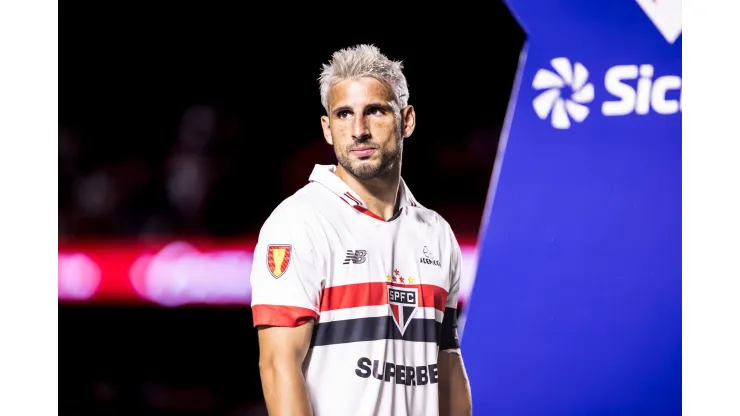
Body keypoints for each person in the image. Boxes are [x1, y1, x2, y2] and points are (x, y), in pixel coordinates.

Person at [250, 44, 472, 416]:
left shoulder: (437, 233)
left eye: (375, 111)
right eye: (344, 114)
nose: (359, 130)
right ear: (327, 128)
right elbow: (278, 365)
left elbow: (447, 363)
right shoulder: (298, 222)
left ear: (407, 120)